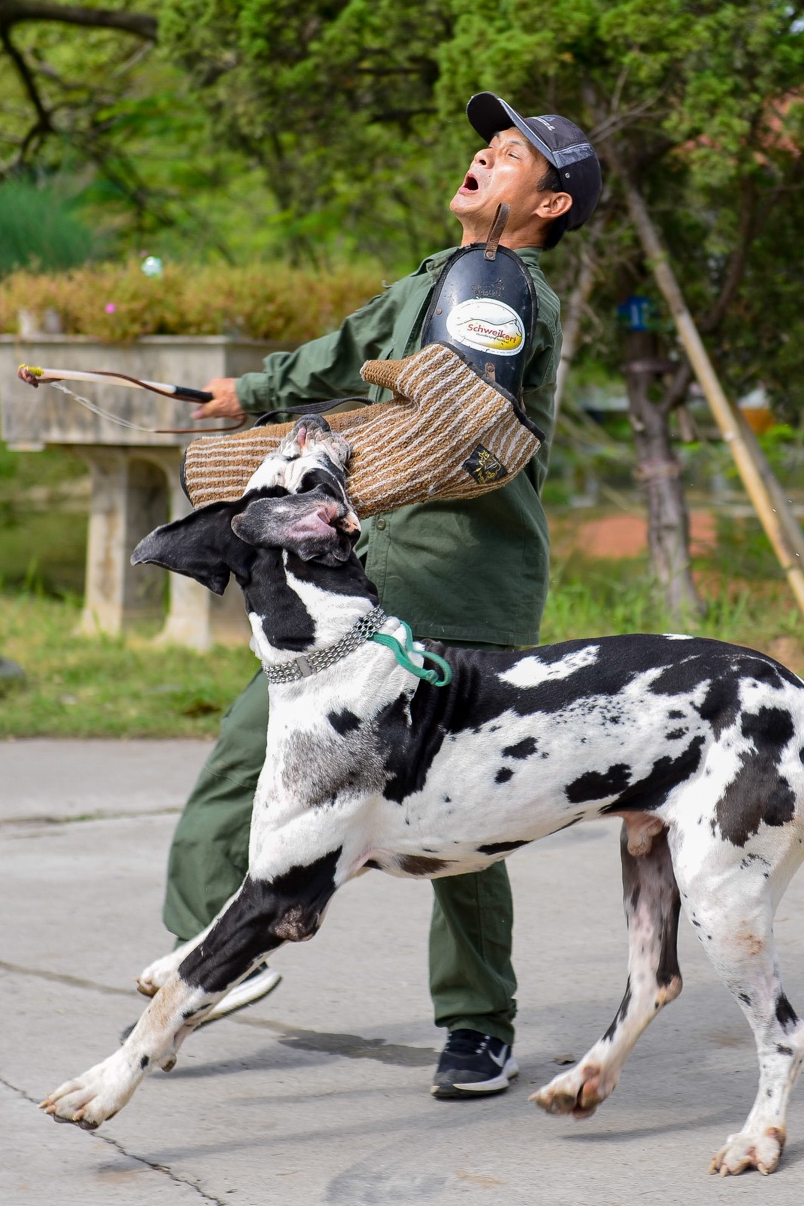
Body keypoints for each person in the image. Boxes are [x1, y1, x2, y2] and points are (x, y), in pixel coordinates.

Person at [157, 94, 603, 1099]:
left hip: (462, 573)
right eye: (484, 146)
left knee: (457, 804)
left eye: (511, 156)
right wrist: (252, 392)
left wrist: (313, 422)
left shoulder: (496, 282)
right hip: (373, 557)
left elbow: (454, 410)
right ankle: (210, 950)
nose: (485, 158)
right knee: (252, 750)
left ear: (553, 203)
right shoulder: (442, 273)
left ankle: (479, 1022)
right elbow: (351, 351)